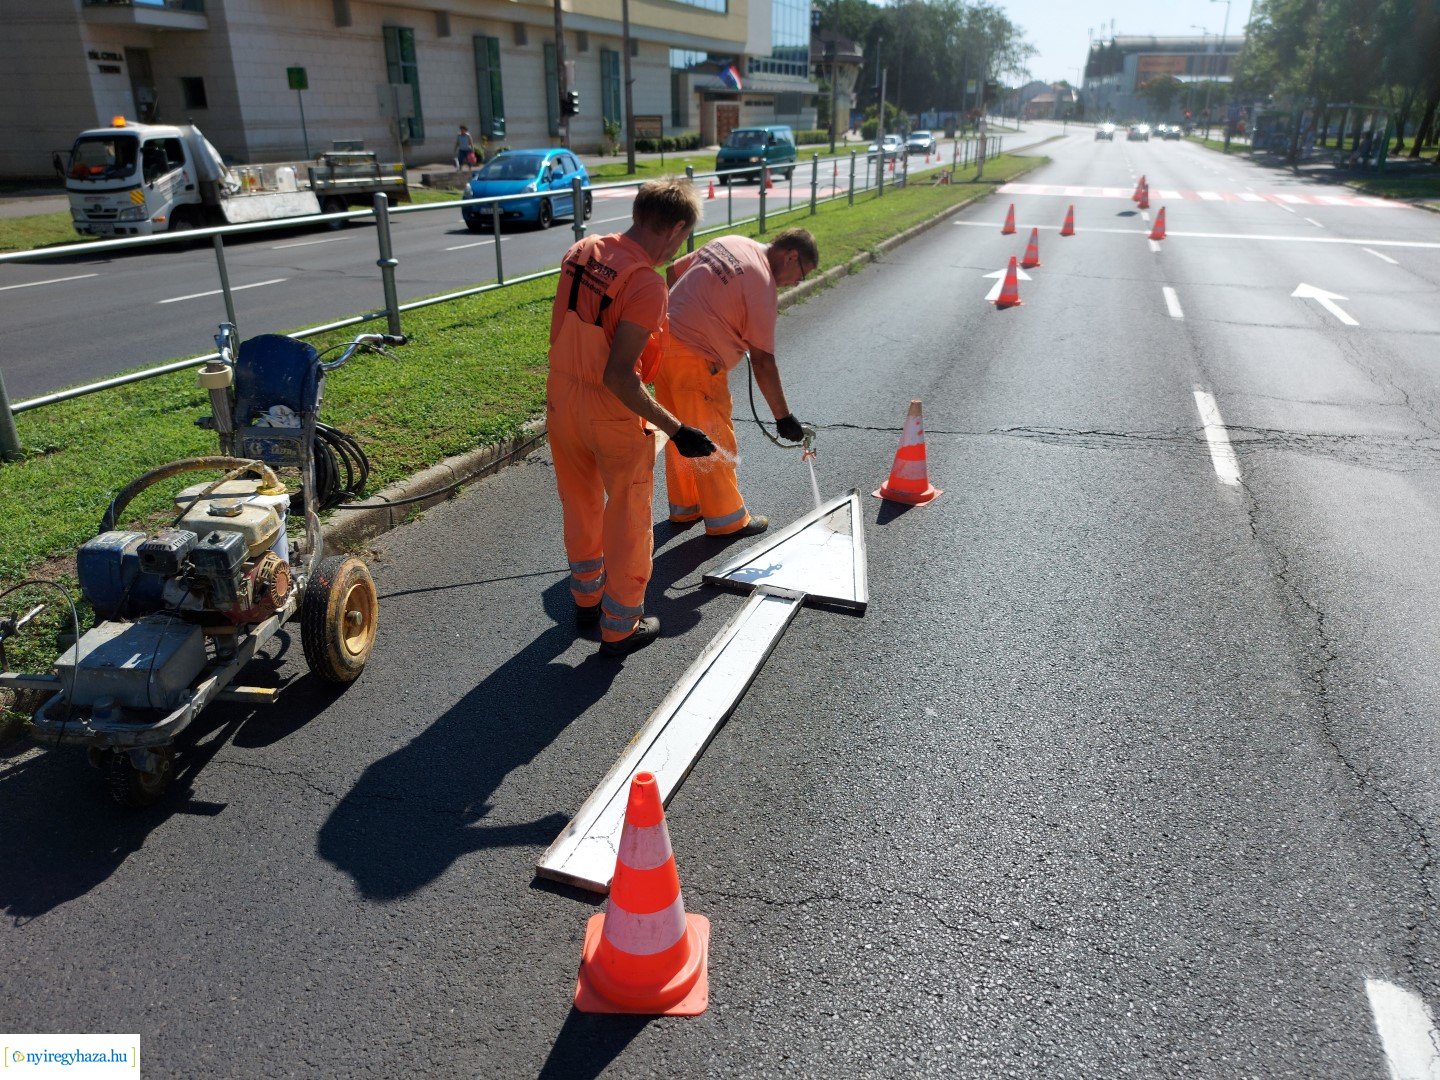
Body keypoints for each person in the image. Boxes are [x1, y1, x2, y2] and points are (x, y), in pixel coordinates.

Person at [547, 177, 716, 657]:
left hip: (561, 400)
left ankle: (586, 598)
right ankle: (620, 625)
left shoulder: (582, 250)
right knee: (627, 516)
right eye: (683, 238)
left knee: (579, 502)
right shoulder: (645, 284)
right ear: (676, 228)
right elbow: (620, 378)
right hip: (612, 416)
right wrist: (676, 429)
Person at [655, 228, 818, 538]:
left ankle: (686, 506)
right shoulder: (762, 285)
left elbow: (672, 273)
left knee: (680, 432)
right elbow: (763, 360)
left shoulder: (732, 242)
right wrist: (784, 418)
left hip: (663, 346)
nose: (798, 282)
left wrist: (696, 312)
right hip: (698, 361)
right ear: (791, 256)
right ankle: (727, 519)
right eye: (802, 273)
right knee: (712, 437)